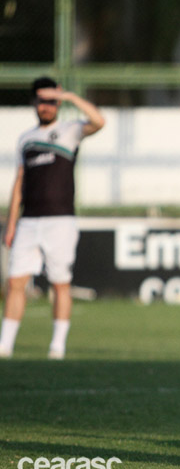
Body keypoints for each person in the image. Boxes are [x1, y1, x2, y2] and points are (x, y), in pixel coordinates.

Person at [0, 77, 105, 360]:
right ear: (34, 103)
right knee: (15, 282)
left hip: (60, 220)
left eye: (52, 101)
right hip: (28, 221)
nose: (46, 106)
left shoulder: (70, 131)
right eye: (41, 100)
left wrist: (71, 96)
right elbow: (19, 181)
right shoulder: (25, 139)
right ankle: (5, 345)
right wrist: (10, 224)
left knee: (60, 283)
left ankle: (57, 347)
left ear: (58, 103)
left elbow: (99, 121)